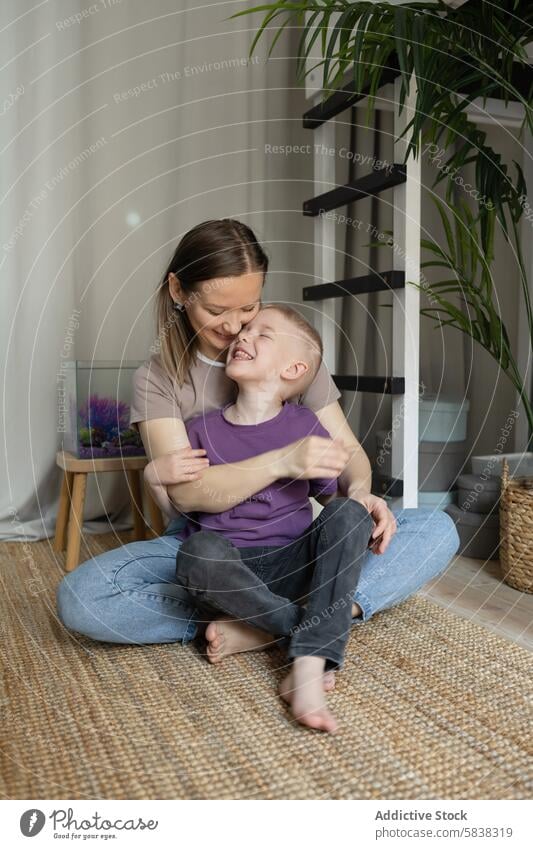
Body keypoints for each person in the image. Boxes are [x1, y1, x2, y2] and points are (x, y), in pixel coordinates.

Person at [56, 218, 460, 664]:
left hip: (292, 541)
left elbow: (348, 459)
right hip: (205, 544)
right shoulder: (158, 379)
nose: (234, 329)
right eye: (216, 311)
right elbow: (190, 493)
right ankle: (297, 620)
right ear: (178, 291)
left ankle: (266, 619)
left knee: (435, 528)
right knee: (83, 596)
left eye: (249, 309)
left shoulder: (288, 354)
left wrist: (362, 494)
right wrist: (282, 461)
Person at [170, 303, 375, 733]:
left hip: (294, 562)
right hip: (230, 571)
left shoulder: (305, 425)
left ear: (293, 368)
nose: (243, 335)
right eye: (246, 330)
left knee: (351, 515)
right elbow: (187, 500)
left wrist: (363, 500)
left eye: (262, 334)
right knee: (196, 552)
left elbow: (337, 500)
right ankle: (301, 631)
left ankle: (306, 665)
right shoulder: (201, 430)